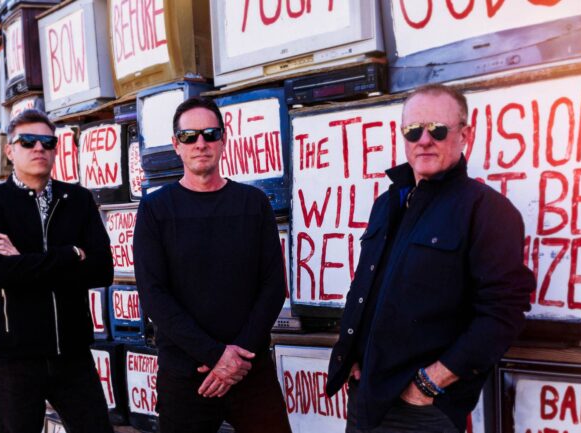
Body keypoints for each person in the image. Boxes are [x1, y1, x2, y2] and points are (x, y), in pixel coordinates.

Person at [326, 84, 535, 432]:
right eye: (413, 130)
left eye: (437, 129)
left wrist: (429, 382)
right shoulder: (388, 203)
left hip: (421, 411)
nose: (424, 139)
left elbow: (503, 313)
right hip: (365, 398)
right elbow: (366, 285)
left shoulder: (488, 210)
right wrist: (354, 356)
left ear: (464, 134)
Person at [134, 97, 292, 433]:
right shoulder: (155, 209)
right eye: (190, 136)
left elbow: (273, 285)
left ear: (224, 139)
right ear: (176, 145)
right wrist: (216, 356)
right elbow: (154, 296)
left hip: (251, 369)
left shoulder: (253, 203)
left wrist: (238, 357)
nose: (200, 143)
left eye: (210, 133)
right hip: (186, 374)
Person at [0, 109, 114, 433]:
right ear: (10, 150)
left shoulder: (77, 199)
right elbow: (1, 274)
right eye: (28, 141)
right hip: (13, 360)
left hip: (72, 353)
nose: (39, 148)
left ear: (56, 149)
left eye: (47, 142)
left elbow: (102, 270)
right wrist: (70, 254)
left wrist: (24, 260)